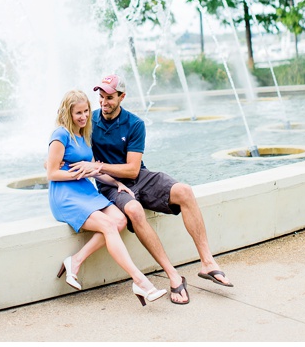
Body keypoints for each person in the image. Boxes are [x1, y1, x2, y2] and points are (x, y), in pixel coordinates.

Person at [68, 74, 232, 306]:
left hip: (139, 177)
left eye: (110, 97)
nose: (104, 102)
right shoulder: (90, 121)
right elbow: (66, 138)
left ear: (122, 97)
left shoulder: (135, 124)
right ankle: (173, 275)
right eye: (101, 97)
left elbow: (133, 170)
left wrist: (97, 165)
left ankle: (207, 263)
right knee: (134, 210)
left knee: (184, 190)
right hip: (110, 185)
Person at [46, 89, 167, 306]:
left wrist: (117, 183)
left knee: (120, 219)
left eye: (85, 111)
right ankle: (140, 281)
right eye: (78, 113)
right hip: (66, 196)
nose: (84, 117)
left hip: (85, 192)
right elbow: (51, 173)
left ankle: (75, 260)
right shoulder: (60, 135)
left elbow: (95, 170)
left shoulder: (83, 135)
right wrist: (78, 173)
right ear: (68, 113)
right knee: (109, 226)